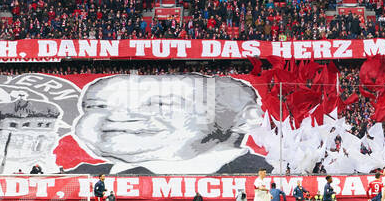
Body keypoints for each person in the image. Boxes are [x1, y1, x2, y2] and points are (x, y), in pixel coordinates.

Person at [70, 74, 270, 175]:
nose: (121, 115)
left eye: (159, 104)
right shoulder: (80, 175)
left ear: (246, 118)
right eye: (98, 106)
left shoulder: (263, 172)